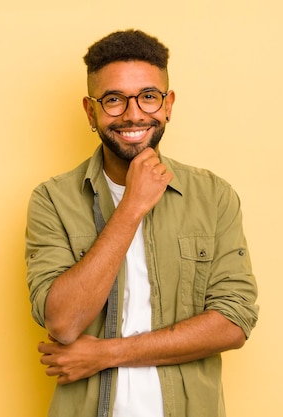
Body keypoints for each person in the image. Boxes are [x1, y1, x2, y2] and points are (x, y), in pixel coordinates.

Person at [25, 29, 259, 417]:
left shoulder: (213, 196)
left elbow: (233, 323)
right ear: (90, 111)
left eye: (148, 97)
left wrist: (105, 354)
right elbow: (63, 323)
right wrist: (131, 207)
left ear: (168, 105)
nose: (133, 114)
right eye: (114, 100)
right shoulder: (52, 200)